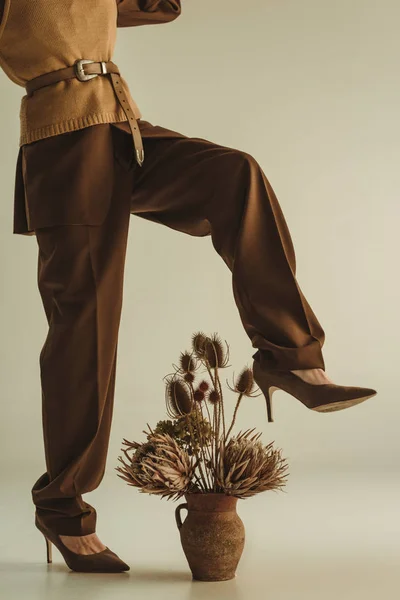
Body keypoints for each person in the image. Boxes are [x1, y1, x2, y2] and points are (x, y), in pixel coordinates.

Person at [0, 0, 377, 572]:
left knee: (234, 176)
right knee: (85, 330)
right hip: (60, 146)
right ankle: (61, 505)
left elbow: (158, 7)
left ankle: (289, 355)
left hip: (121, 129)